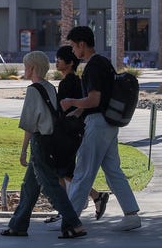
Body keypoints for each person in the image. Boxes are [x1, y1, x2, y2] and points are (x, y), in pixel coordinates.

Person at [60, 26, 141, 231]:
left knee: (83, 171)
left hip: (98, 124)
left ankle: (71, 220)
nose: (72, 51)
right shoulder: (104, 62)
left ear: (82, 44)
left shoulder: (93, 67)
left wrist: (71, 102)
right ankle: (131, 215)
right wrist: (78, 111)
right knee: (113, 171)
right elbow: (102, 98)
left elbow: (94, 100)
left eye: (73, 46)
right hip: (110, 124)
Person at [1, 51, 86, 239]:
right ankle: (18, 225)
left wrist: (23, 150)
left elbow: (30, 125)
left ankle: (74, 224)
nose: (24, 69)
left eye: (26, 66)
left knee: (51, 187)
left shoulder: (33, 90)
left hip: (40, 142)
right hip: (51, 142)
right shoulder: (49, 87)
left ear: (32, 68)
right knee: (29, 186)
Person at [45, 46, 109, 229]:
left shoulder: (68, 82)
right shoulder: (76, 80)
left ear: (70, 62)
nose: (56, 62)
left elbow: (64, 109)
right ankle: (93, 197)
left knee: (63, 170)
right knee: (66, 170)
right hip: (75, 129)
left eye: (60, 59)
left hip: (68, 131)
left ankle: (68, 207)